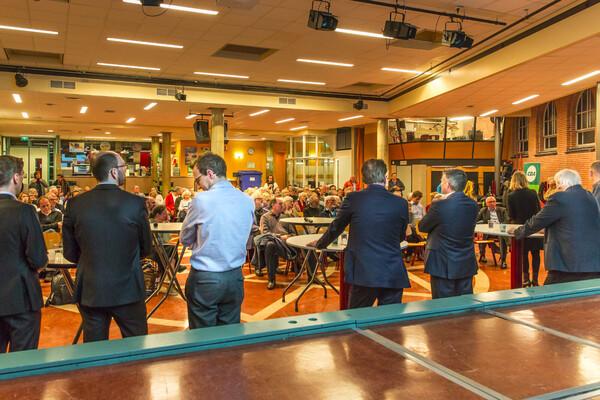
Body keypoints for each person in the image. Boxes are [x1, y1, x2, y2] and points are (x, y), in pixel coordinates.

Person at [62, 151, 152, 343]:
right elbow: (146, 247)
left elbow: (70, 252)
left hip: (91, 288)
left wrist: (92, 259)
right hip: (128, 288)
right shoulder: (135, 203)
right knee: (137, 346)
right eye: (123, 168)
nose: (125, 172)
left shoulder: (75, 204)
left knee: (94, 351)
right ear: (113, 172)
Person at [307, 159, 409, 308]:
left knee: (357, 319)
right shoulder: (401, 203)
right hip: (392, 270)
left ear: (364, 178)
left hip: (364, 269)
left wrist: (320, 243)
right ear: (385, 177)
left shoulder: (354, 198)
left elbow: (337, 227)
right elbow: (400, 236)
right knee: (389, 324)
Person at [180, 153, 254, 328]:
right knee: (230, 334)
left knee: (202, 337)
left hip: (206, 277)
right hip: (235, 277)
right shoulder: (247, 200)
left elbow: (184, 238)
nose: (198, 185)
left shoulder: (201, 200)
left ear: (210, 174)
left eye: (198, 179)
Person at [509, 170, 600, 284]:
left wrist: (518, 231)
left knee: (547, 299)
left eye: (557, 186)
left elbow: (538, 221)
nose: (557, 189)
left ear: (560, 183)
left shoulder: (560, 197)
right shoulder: (590, 196)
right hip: (592, 264)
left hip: (566, 264)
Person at [0, 156, 48, 352]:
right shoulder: (25, 211)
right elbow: (37, 258)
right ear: (16, 178)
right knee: (22, 364)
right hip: (20, 296)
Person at [419, 169, 479, 299]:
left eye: (442, 181)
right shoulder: (474, 205)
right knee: (465, 302)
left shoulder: (439, 205)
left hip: (442, 262)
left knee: (443, 305)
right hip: (466, 261)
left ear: (446, 184)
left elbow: (422, 226)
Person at [506, 170, 543, 287]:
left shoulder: (510, 196)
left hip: (521, 227)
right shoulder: (533, 193)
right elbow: (539, 211)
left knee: (524, 254)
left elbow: (511, 216)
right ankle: (535, 279)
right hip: (534, 227)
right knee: (536, 253)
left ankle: (526, 279)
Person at [476, 196, 509, 269]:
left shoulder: (502, 210)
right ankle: (483, 255)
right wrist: (478, 230)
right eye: (490, 202)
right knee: (482, 235)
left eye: (494, 201)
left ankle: (503, 260)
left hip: (499, 230)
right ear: (486, 204)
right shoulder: (483, 211)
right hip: (488, 231)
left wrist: (499, 227)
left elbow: (506, 220)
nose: (492, 203)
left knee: (501, 236)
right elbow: (476, 220)